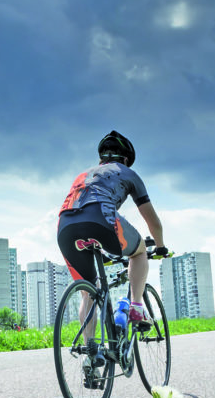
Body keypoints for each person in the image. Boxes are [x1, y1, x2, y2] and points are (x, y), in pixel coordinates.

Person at [57, 130, 167, 365]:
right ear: (126, 159)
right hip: (101, 219)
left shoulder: (83, 174)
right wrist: (160, 246)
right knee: (138, 253)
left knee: (88, 291)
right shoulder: (129, 173)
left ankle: (91, 354)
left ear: (101, 160)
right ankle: (137, 306)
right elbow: (152, 220)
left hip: (65, 227)